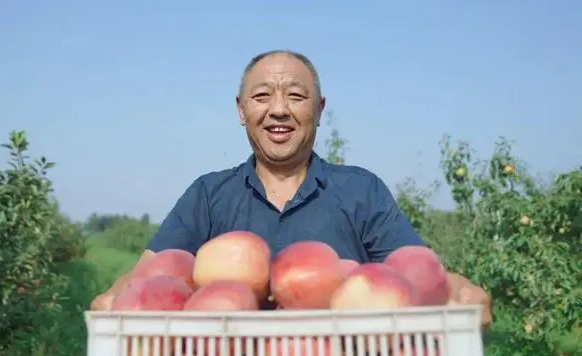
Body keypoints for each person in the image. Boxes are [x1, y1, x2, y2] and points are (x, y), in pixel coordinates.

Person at [90, 49, 492, 330]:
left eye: (296, 96)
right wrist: (117, 296)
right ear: (241, 110)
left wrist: (458, 291)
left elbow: (414, 274)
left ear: (318, 109)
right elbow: (154, 273)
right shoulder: (208, 195)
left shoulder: (360, 191)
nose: (279, 109)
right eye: (262, 96)